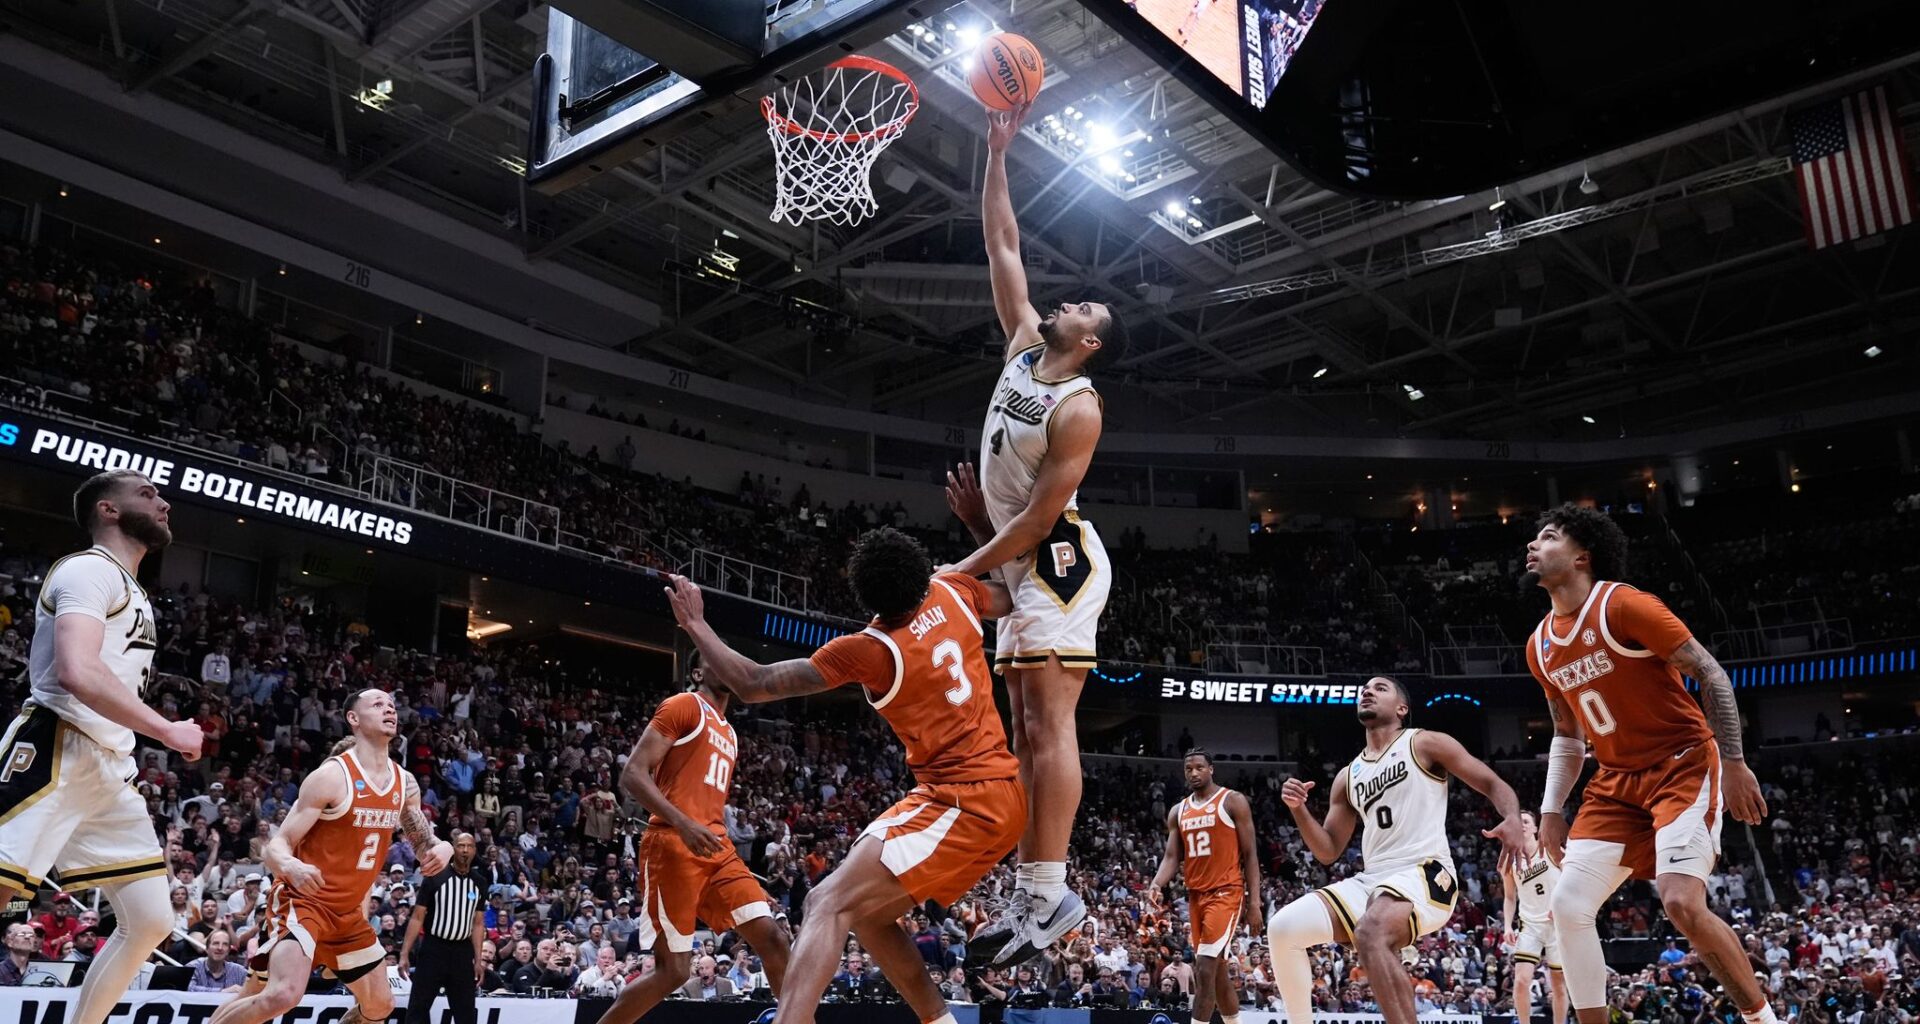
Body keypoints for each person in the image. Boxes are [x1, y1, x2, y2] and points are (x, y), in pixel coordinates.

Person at [661, 525, 1025, 1024]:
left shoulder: (870, 648)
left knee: (825, 902)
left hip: (965, 800)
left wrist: (696, 624)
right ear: (920, 573)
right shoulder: (954, 590)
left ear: (864, 594)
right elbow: (1011, 593)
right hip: (985, 791)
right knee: (868, 916)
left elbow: (753, 682)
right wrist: (980, 529)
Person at [946, 95, 1129, 970]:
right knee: (1027, 726)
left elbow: (1042, 517)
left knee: (1050, 726)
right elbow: (1003, 244)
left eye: (1082, 307)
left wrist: (962, 563)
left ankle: (1049, 893)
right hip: (1020, 563)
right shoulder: (1024, 346)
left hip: (1056, 560)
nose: (1067, 301)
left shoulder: (1080, 406)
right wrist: (998, 152)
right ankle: (1033, 892)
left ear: (1089, 343)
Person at [1520, 505, 1771, 1024]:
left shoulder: (1625, 604)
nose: (1532, 546)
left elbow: (1711, 673)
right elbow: (1567, 735)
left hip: (1681, 765)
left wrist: (1735, 760)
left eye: (1547, 537)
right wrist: (1550, 809)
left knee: (1679, 903)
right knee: (1567, 906)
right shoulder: (1539, 646)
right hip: (1615, 782)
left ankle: (1763, 1020)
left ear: (1581, 556)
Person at [0, 471, 203, 1024]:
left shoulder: (130, 586)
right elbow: (77, 670)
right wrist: (167, 729)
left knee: (152, 919)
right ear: (108, 511)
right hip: (57, 745)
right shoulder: (89, 568)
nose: (163, 503)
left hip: (109, 767)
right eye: (147, 494)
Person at [1266, 676, 1524, 1024]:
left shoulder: (1424, 743)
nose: (1367, 691)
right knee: (1283, 929)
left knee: (1370, 933)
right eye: (1365, 689)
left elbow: (1491, 781)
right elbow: (1327, 850)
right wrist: (1299, 810)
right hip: (1373, 880)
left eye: (1380, 688)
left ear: (1402, 709)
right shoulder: (1348, 776)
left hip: (1426, 872)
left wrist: (1511, 817)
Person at [212, 692, 452, 1024]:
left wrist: (444, 848)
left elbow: (425, 844)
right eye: (378, 704)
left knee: (381, 1007)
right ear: (353, 719)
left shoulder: (404, 782)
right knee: (282, 994)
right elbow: (276, 845)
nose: (389, 709)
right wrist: (292, 865)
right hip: (304, 902)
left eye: (392, 705)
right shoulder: (331, 777)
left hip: (347, 914)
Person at [592, 655, 792, 1024]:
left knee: (776, 940)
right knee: (674, 971)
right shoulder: (685, 705)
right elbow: (633, 775)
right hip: (672, 843)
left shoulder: (730, 732)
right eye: (718, 659)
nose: (728, 664)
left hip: (717, 847)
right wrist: (684, 823)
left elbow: (706, 805)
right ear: (698, 673)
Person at [1147, 748, 1262, 1024]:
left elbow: (1250, 855)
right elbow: (1173, 856)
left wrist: (1254, 902)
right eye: (1189, 769)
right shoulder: (1178, 811)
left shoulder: (1233, 801)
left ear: (1211, 769)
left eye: (1199, 767)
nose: (1194, 773)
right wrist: (1156, 883)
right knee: (1217, 971)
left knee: (1204, 968)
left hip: (1226, 891)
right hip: (1196, 897)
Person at [400, 831, 487, 1024]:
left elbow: (478, 923)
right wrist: (404, 953)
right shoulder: (435, 877)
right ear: (453, 849)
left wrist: (478, 960)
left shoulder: (480, 882)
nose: (465, 850)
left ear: (474, 851)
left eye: (469, 846)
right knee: (418, 1008)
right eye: (461, 845)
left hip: (462, 953)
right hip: (434, 949)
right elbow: (417, 917)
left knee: (466, 1012)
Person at [1502, 811, 1568, 1024]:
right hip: (1529, 924)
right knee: (1521, 981)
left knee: (1558, 984)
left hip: (1556, 924)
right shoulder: (1508, 861)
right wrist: (1507, 926)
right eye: (1518, 822)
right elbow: (1510, 897)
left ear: (1534, 828)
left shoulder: (1550, 849)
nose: (1521, 825)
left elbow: (1571, 875)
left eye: (1526, 822)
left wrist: (1560, 903)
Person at [0, 921, 35, 986]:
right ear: (10, 942)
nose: (27, 937)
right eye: (22, 934)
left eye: (31, 935)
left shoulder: (39, 973)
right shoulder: (1, 971)